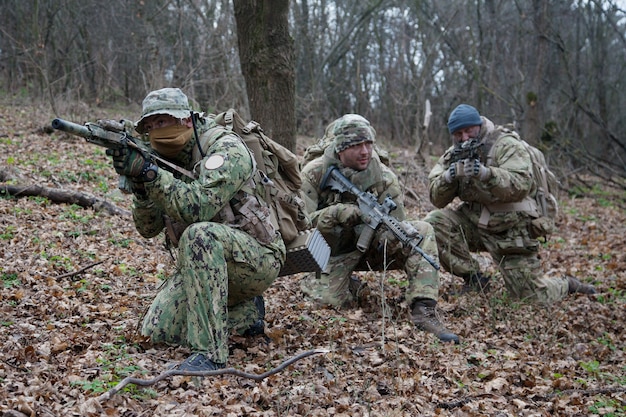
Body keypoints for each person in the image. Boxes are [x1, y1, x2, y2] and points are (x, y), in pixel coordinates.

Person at [106, 88, 286, 371]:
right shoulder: (161, 157)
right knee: (157, 332)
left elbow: (198, 208)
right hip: (201, 265)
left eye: (162, 122)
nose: (155, 132)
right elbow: (148, 228)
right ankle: (247, 314)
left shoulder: (226, 148)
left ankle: (210, 355)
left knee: (199, 234)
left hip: (257, 257)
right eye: (150, 127)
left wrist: (151, 175)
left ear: (186, 120)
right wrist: (140, 187)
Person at [300, 114, 459, 344]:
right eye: (356, 145)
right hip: (331, 251)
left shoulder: (384, 177)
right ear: (340, 148)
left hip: (371, 246)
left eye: (368, 144)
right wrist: (337, 214)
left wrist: (390, 235)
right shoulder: (314, 173)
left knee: (421, 231)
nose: (365, 151)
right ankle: (346, 285)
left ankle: (424, 309)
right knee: (325, 302)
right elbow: (299, 226)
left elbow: (398, 221)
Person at [425, 104, 595, 303]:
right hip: (475, 224)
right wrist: (448, 177)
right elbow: (437, 199)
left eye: (468, 131)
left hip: (510, 229)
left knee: (532, 298)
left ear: (478, 125)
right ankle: (475, 279)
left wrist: (486, 174)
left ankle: (567, 285)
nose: (464, 138)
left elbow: (521, 183)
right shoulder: (454, 153)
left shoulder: (505, 145)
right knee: (434, 223)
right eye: (458, 133)